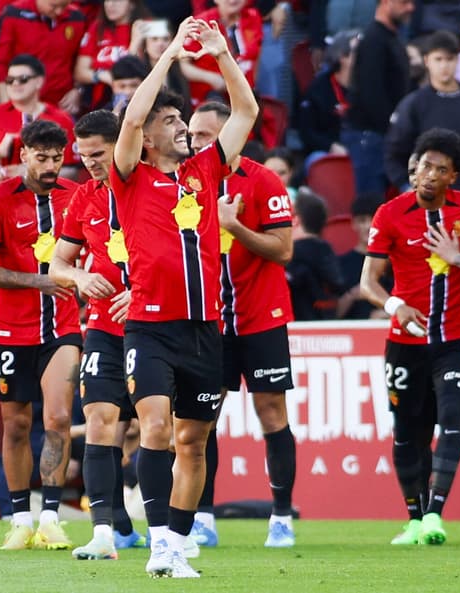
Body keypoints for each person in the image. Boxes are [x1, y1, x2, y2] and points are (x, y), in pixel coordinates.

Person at [110, 17, 258, 578]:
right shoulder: (129, 176)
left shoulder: (205, 172)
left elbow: (245, 113)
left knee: (193, 444)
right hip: (149, 327)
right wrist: (172, 52)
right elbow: (130, 114)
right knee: (153, 429)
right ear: (147, 137)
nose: (183, 127)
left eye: (182, 119)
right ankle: (159, 546)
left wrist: (221, 55)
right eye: (170, 121)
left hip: (205, 329)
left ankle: (176, 540)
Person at [185, 101, 298, 548]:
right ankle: (203, 517)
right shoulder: (186, 182)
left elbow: (283, 249)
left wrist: (234, 225)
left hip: (260, 316)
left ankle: (282, 516)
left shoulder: (263, 180)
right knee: (202, 419)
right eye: (192, 135)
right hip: (208, 321)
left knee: (271, 413)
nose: (195, 144)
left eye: (205, 136)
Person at [0, 119, 82, 551]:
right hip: (11, 328)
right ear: (24, 155)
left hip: (63, 326)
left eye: (58, 157)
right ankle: (20, 518)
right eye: (43, 157)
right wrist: (38, 282)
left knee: (56, 418)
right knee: (16, 424)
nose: (52, 165)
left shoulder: (76, 197)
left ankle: (51, 517)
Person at [360, 127, 460, 546]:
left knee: (451, 423)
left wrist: (457, 257)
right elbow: (368, 283)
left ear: (453, 177)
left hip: (454, 343)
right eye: (425, 164)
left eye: (440, 169)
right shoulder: (390, 213)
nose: (428, 174)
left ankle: (434, 517)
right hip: (404, 343)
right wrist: (395, 306)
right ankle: (413, 519)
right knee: (407, 431)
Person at [48, 109, 146, 560]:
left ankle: (173, 530)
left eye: (98, 153)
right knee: (103, 420)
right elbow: (58, 264)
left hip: (157, 327)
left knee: (163, 429)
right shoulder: (82, 198)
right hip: (105, 328)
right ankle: (104, 533)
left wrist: (142, 293)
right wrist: (79, 279)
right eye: (82, 154)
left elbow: (190, 255)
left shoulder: (156, 187)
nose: (88, 162)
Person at [384, 31, 460, 194]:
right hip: (429, 200)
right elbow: (394, 154)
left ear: (458, 60)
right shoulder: (414, 104)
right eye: (438, 59)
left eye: (449, 59)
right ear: (427, 61)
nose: (444, 66)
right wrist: (407, 187)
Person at [342, 0, 415, 194]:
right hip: (370, 137)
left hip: (383, 135)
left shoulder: (392, 38)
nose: (410, 8)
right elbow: (370, 94)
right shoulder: (373, 39)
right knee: (371, 208)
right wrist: (393, 130)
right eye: (404, 2)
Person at [0, 55, 80, 180]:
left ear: (39, 82)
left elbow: (72, 171)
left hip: (48, 196)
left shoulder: (62, 119)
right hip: (2, 192)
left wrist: (32, 173)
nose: (15, 84)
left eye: (23, 79)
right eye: (10, 80)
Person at [0, 0, 88, 112]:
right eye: (54, 6)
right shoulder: (14, 13)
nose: (59, 11)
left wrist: (78, 90)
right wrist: (7, 105)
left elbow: (82, 61)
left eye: (64, 6)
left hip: (60, 105)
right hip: (21, 101)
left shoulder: (77, 18)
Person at [181, 0, 264, 109]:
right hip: (210, 99)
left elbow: (256, 56)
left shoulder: (253, 17)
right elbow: (183, 65)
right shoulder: (201, 23)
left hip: (244, 96)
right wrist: (211, 78)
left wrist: (252, 84)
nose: (233, 0)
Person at [297, 29, 358, 166]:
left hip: (360, 150)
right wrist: (330, 146)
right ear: (342, 56)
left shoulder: (368, 87)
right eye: (357, 51)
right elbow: (307, 131)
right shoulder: (319, 88)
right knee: (317, 161)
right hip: (326, 151)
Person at [74, 0, 146, 110]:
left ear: (132, 4)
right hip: (100, 101)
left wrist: (135, 44)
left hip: (136, 99)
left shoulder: (143, 28)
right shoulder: (97, 28)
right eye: (107, 0)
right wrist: (101, 75)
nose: (110, 5)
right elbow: (80, 72)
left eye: (117, 1)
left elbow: (136, 70)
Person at [286, 189, 345, 320]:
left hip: (298, 331)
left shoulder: (288, 255)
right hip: (327, 326)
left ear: (296, 220)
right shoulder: (326, 250)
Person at [337, 192, 389, 320]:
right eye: (362, 221)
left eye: (373, 220)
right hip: (353, 333)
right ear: (353, 224)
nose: (368, 226)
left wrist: (389, 314)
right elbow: (333, 313)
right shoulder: (341, 264)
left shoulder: (395, 263)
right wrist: (353, 295)